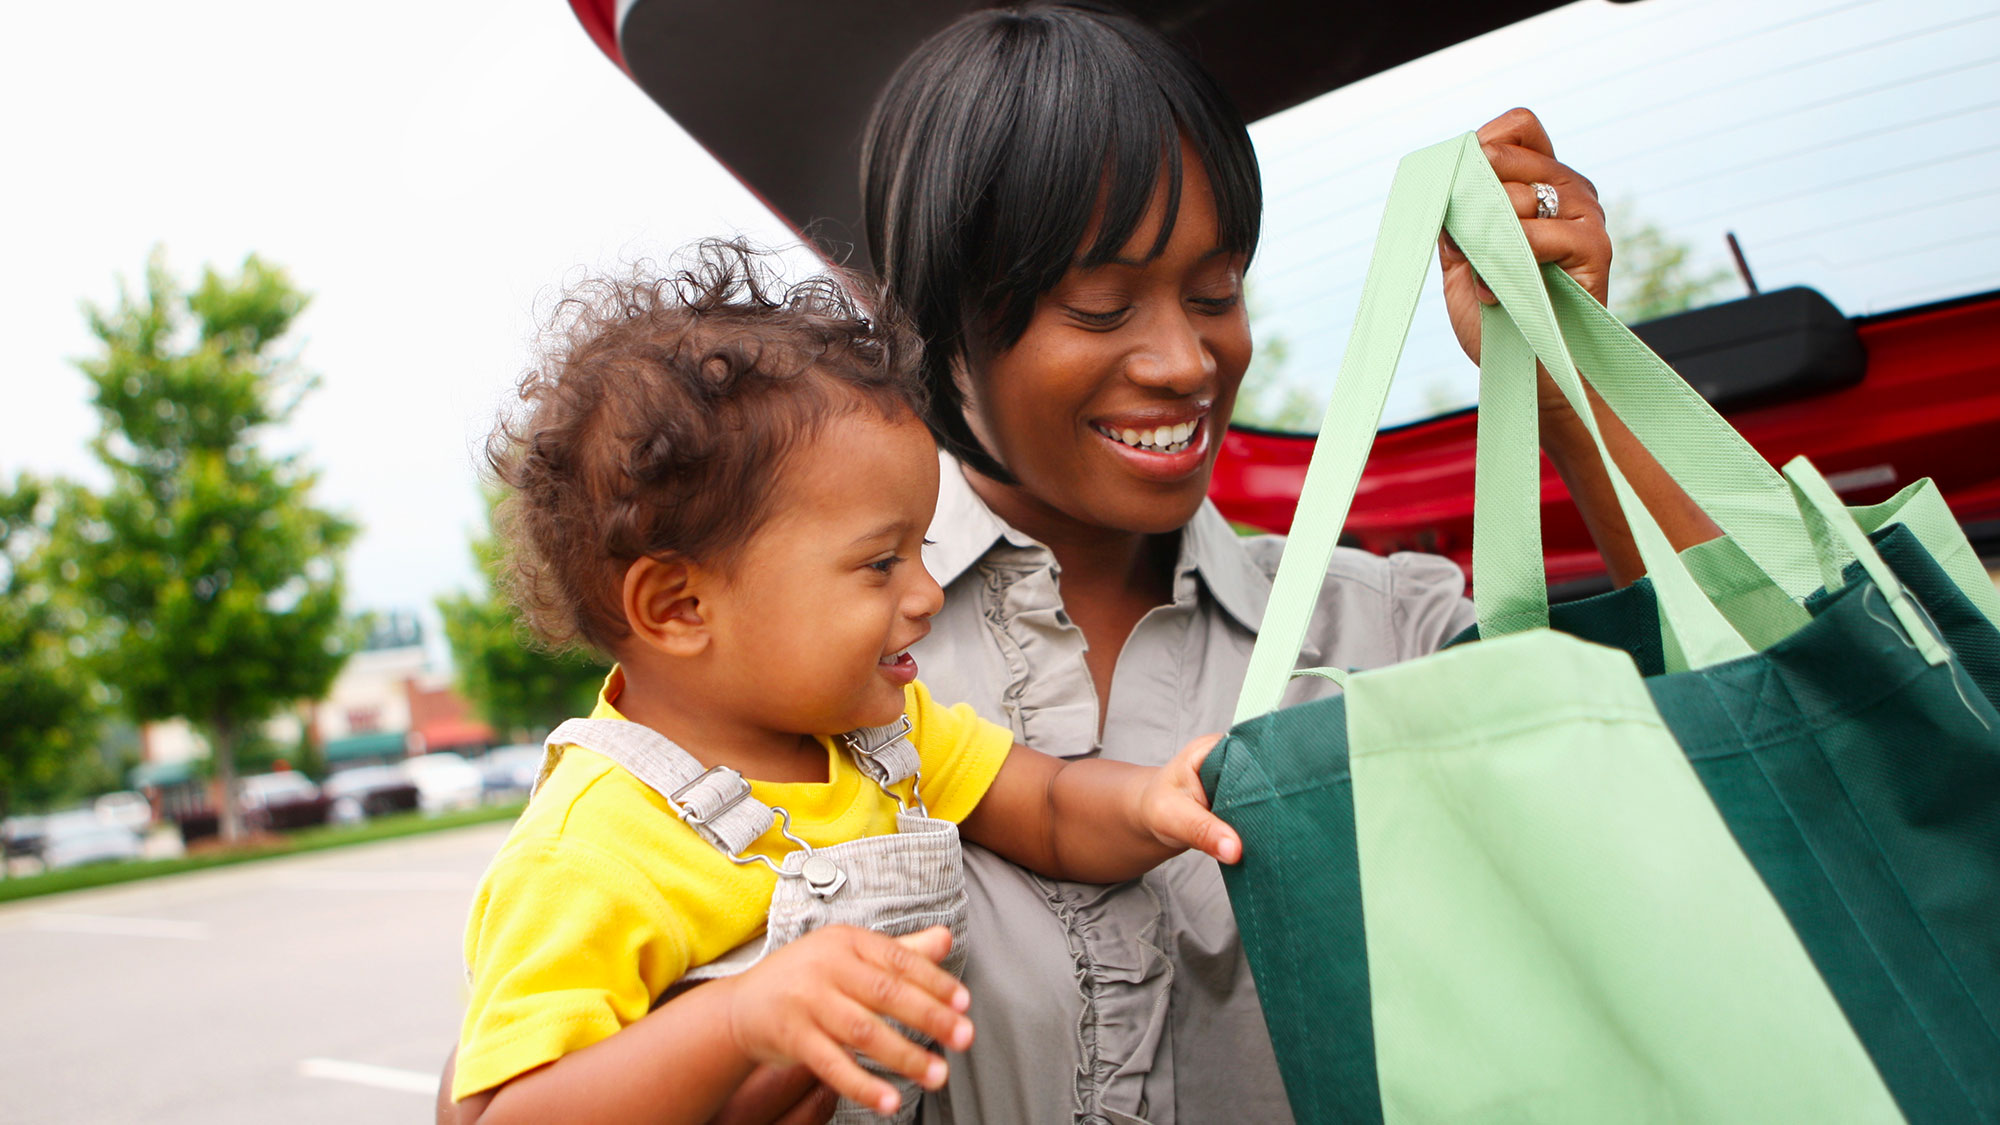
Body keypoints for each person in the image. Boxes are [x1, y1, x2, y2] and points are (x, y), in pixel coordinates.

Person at [849, 5, 1722, 1123]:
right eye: (1101, 306)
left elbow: (1757, 738)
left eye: (1215, 292)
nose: (1185, 359)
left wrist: (1572, 387)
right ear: (940, 328)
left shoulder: (1387, 631)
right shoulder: (806, 659)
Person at [447, 244, 1244, 1125]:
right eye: (879, 563)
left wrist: (1150, 802)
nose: (928, 595)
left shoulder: (879, 741)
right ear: (678, 605)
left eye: (922, 551)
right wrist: (737, 1019)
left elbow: (1049, 806)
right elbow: (493, 1114)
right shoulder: (591, 848)